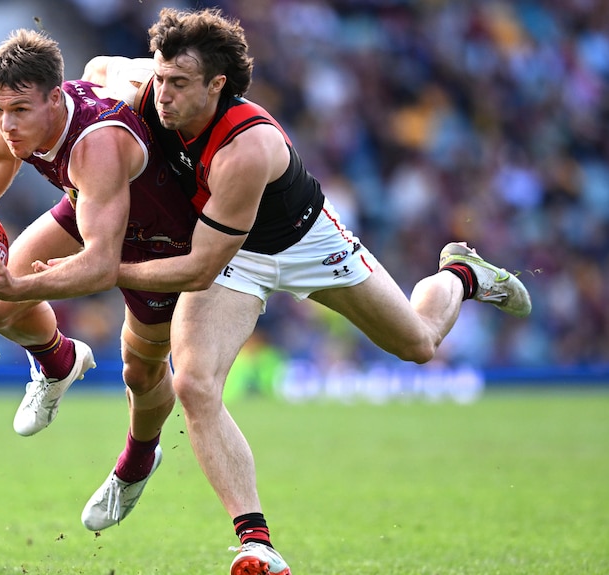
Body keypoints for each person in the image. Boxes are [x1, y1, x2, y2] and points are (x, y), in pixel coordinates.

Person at [78, 7, 532, 575]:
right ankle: (257, 544)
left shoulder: (247, 146)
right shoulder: (147, 86)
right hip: (232, 257)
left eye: (179, 84)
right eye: (161, 78)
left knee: (418, 344)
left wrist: (102, 269)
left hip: (302, 240)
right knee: (194, 382)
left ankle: (460, 274)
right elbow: (96, 68)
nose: (163, 95)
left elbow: (195, 269)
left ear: (218, 85)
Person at [0, 28, 197, 527]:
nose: (6, 125)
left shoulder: (96, 141)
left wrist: (17, 285)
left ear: (55, 98)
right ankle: (57, 361)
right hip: (90, 208)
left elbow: (100, 265)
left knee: (140, 373)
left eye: (19, 110)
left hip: (161, 240)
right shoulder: (7, 130)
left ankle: (136, 465)